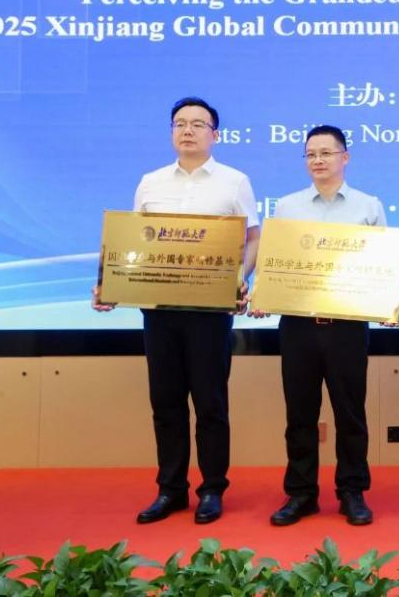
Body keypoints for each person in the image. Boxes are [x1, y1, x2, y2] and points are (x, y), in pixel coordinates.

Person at [93, 96, 260, 525]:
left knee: (210, 403)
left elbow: (253, 238)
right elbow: (132, 243)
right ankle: (170, 489)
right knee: (165, 402)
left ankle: (212, 489)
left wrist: (239, 278)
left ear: (214, 134)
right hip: (159, 309)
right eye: (180, 123)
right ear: (171, 132)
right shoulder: (150, 182)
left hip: (210, 312)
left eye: (198, 124)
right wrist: (110, 283)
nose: (187, 130)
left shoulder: (234, 182)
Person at [255, 125, 394, 528]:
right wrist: (264, 294)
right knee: (300, 413)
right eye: (311, 154)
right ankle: (301, 493)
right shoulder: (287, 207)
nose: (318, 160)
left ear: (344, 157)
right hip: (298, 325)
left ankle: (352, 491)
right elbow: (274, 262)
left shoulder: (368, 206)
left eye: (326, 153)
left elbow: (380, 267)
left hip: (347, 326)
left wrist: (385, 302)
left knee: (350, 413)